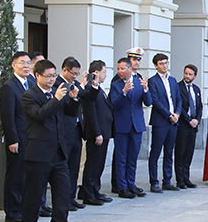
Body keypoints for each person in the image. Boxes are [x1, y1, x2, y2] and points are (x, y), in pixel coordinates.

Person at [20, 58, 80, 222]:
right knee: (34, 192)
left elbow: (70, 113)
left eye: (54, 76)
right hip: (39, 152)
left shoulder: (58, 92)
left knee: (62, 191)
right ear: (37, 75)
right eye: (48, 76)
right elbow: (39, 115)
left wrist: (74, 98)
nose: (52, 79)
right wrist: (56, 99)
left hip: (59, 151)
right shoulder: (29, 96)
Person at [0, 51, 33, 222]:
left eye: (28, 63)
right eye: (22, 63)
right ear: (13, 65)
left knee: (28, 174)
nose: (26, 66)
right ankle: (12, 211)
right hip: (17, 138)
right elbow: (7, 116)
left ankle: (24, 207)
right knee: (15, 175)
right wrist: (12, 139)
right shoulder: (9, 86)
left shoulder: (32, 82)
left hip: (32, 137)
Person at [109, 55, 150, 198]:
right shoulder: (116, 85)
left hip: (136, 125)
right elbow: (113, 104)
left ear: (129, 68)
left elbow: (148, 102)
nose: (120, 71)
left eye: (122, 68)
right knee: (121, 157)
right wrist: (124, 92)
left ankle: (131, 184)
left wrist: (146, 90)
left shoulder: (138, 82)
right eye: (118, 68)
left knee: (133, 157)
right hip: (122, 126)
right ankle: (122, 187)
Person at [146, 52, 182, 193]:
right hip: (161, 121)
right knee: (156, 152)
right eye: (161, 63)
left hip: (174, 121)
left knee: (169, 151)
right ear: (156, 66)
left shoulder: (172, 80)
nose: (164, 66)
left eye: (166, 62)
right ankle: (154, 182)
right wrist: (169, 115)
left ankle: (167, 180)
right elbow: (155, 101)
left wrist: (177, 114)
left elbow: (178, 98)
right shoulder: (153, 81)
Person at [79, 60, 113, 205]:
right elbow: (90, 113)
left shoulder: (98, 88)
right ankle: (88, 193)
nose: (106, 75)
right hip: (96, 133)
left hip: (104, 131)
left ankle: (95, 190)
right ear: (96, 73)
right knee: (93, 164)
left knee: (99, 164)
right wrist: (97, 133)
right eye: (104, 72)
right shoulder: (89, 89)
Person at [58, 58, 86, 212]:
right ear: (65, 70)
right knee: (65, 166)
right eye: (73, 73)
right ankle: (64, 199)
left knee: (74, 165)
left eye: (76, 73)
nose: (74, 76)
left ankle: (71, 197)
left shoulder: (74, 85)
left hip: (76, 128)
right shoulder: (57, 84)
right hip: (65, 130)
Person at [175, 64, 202, 189]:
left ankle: (187, 178)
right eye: (186, 73)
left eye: (190, 74)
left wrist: (197, 119)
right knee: (180, 152)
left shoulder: (196, 89)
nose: (187, 76)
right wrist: (189, 119)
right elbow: (179, 106)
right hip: (183, 125)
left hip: (193, 126)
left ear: (195, 76)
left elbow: (200, 106)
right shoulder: (178, 87)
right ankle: (180, 179)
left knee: (189, 152)